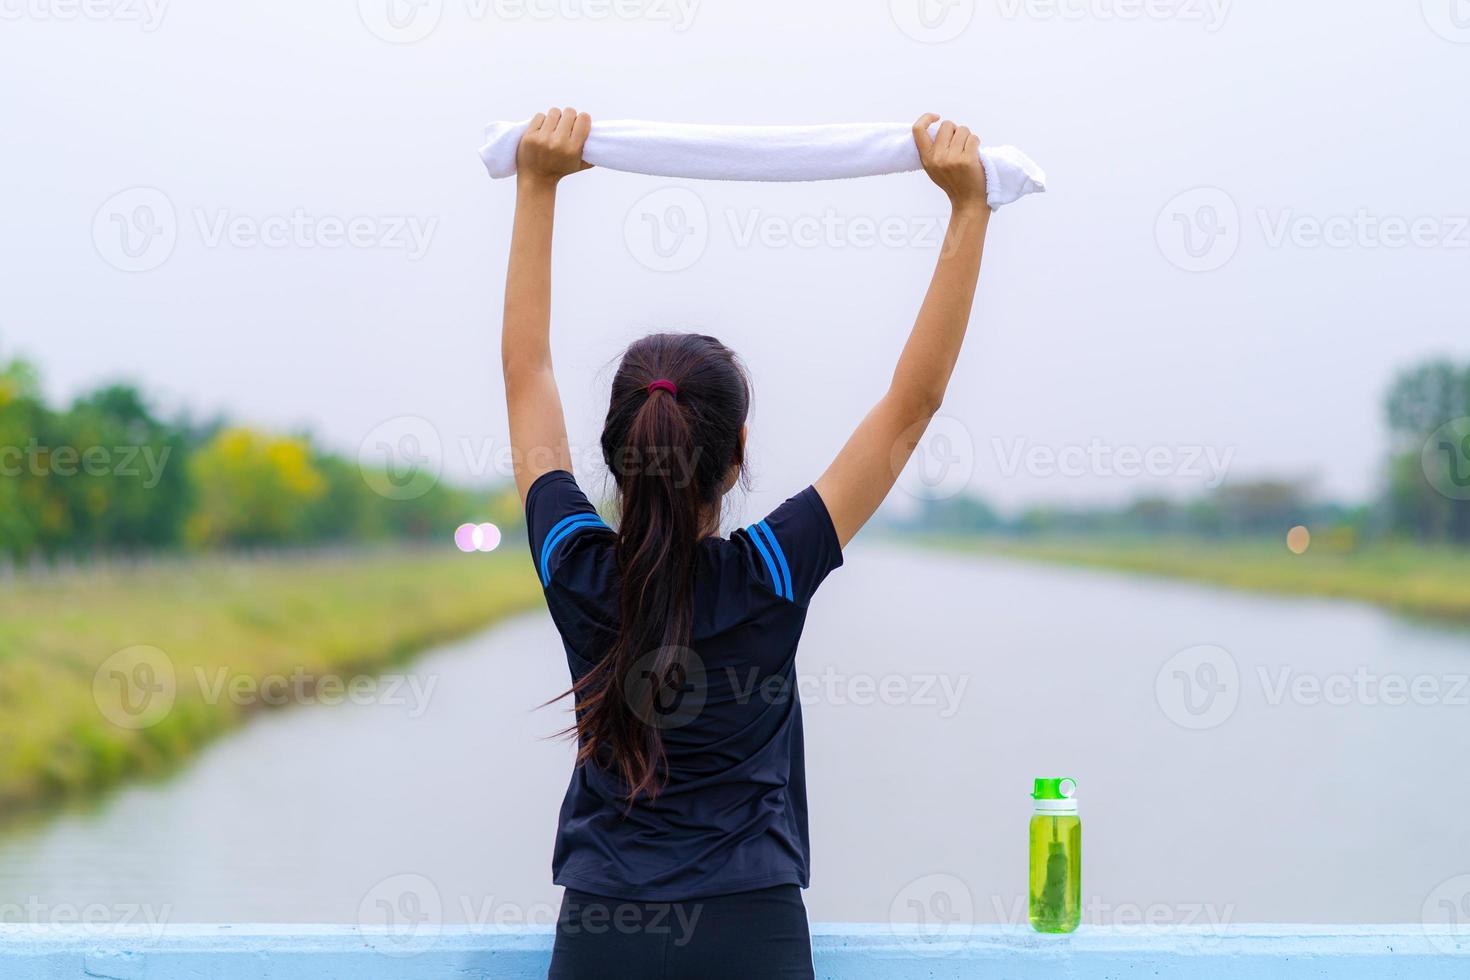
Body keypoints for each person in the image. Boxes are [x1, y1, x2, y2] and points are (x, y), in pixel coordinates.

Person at [502, 106, 992, 980]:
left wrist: (536, 186)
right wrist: (967, 209)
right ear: (735, 459)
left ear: (617, 453)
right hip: (751, 933)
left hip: (602, 934)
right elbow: (910, 409)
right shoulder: (772, 569)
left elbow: (526, 375)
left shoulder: (576, 567)